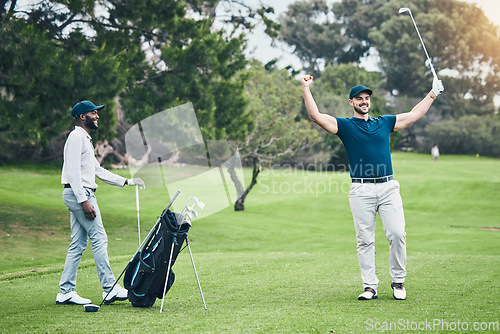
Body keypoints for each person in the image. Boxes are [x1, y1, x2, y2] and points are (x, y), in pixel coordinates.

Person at [301, 76, 444, 301]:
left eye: (367, 98)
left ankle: (398, 281)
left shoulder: (384, 122)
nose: (364, 101)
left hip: (388, 187)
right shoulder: (345, 126)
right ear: (351, 102)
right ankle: (370, 286)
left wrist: (432, 94)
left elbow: (413, 115)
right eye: (359, 99)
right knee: (364, 239)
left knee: (397, 234)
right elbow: (315, 116)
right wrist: (305, 88)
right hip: (361, 190)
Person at [56, 100, 145, 306]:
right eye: (93, 113)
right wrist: (84, 201)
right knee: (99, 238)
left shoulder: (84, 139)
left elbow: (96, 170)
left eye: (97, 113)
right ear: (82, 117)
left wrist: (126, 181)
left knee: (78, 244)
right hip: (81, 194)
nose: (97, 116)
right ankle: (109, 289)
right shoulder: (76, 137)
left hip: (80, 194)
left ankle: (65, 291)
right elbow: (73, 172)